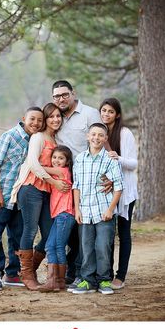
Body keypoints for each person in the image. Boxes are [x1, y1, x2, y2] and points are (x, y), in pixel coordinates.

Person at [10, 103, 70, 291]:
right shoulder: (38, 137)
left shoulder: (56, 139)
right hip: (31, 188)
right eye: (51, 116)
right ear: (46, 120)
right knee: (30, 230)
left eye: (58, 116)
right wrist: (55, 182)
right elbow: (34, 165)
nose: (55, 119)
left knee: (50, 233)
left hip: (47, 192)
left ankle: (31, 268)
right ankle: (28, 276)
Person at [0, 106, 44, 291]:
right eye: (32, 119)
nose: (35, 123)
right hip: (1, 194)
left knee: (16, 236)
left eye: (39, 120)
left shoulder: (35, 140)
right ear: (24, 118)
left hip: (19, 197)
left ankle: (12, 273)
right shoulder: (9, 136)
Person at [52, 80, 103, 288]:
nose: (61, 99)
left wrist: (105, 176)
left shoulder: (90, 114)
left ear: (73, 93)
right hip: (64, 182)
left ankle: (87, 274)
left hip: (88, 179)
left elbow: (101, 141)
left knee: (85, 229)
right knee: (71, 230)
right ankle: (72, 273)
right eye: (56, 96)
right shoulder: (56, 118)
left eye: (64, 95)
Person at [72, 123, 124, 295]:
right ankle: (88, 280)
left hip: (104, 212)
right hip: (85, 211)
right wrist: (77, 209)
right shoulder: (80, 159)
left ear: (105, 139)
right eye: (93, 134)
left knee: (103, 247)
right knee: (86, 248)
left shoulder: (110, 160)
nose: (96, 138)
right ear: (88, 136)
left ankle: (103, 280)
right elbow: (76, 186)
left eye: (100, 135)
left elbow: (118, 186)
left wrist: (111, 209)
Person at [99, 98, 138, 289]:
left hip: (125, 193)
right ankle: (105, 273)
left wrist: (118, 157)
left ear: (118, 115)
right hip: (107, 191)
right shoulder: (100, 132)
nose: (106, 114)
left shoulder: (124, 133)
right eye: (103, 110)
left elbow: (133, 164)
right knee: (106, 234)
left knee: (123, 233)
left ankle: (120, 276)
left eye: (110, 111)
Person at [38, 145, 76, 292]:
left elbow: (43, 169)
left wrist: (36, 163)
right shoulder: (57, 175)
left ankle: (58, 280)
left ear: (67, 162)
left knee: (59, 246)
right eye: (54, 157)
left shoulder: (63, 171)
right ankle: (55, 281)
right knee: (49, 246)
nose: (56, 160)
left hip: (65, 214)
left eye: (61, 158)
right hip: (60, 215)